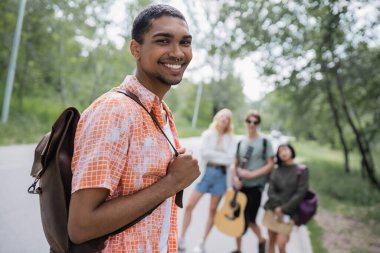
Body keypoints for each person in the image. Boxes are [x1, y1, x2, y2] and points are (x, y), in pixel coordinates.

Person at [67, 4, 200, 253]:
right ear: (135, 49)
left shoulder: (160, 111)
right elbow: (80, 225)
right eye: (163, 41)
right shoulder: (115, 112)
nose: (177, 52)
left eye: (185, 42)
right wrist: (171, 182)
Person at [178, 108, 236, 253]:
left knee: (212, 210)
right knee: (190, 205)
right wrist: (220, 156)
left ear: (229, 122)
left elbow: (230, 159)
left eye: (227, 118)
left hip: (221, 176)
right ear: (217, 118)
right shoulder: (207, 135)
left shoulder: (231, 139)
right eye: (222, 116)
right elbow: (205, 153)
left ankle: (202, 242)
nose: (224, 119)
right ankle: (181, 239)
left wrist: (215, 155)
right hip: (206, 173)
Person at [231, 110, 275, 253]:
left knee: (250, 220)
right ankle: (238, 250)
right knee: (236, 219)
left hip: (255, 187)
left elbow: (270, 164)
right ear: (245, 123)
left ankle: (262, 241)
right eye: (249, 121)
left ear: (258, 124)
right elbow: (234, 163)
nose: (252, 124)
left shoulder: (264, 141)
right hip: (239, 187)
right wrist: (235, 178)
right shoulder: (241, 142)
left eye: (255, 122)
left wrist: (252, 175)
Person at [263, 143, 309, 253]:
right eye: (280, 152)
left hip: (289, 212)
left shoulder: (301, 170)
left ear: (291, 151)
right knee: (271, 242)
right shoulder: (276, 170)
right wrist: (277, 207)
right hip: (272, 210)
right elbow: (270, 191)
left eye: (285, 149)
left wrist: (283, 209)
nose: (283, 153)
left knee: (281, 244)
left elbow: (301, 193)